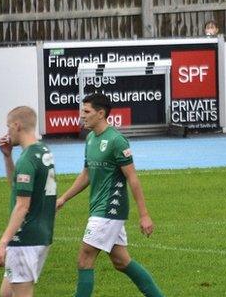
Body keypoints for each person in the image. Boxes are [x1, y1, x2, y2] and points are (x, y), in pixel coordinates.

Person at [56, 93, 164, 297]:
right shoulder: (90, 139)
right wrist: (63, 198)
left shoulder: (116, 141)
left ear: (101, 113)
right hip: (100, 209)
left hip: (109, 209)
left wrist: (144, 215)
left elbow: (132, 178)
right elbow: (86, 174)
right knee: (121, 262)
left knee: (84, 259)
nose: (82, 116)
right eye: (82, 111)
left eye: (86, 112)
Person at [0, 106, 56, 297]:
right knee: (6, 293)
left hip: (25, 238)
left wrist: (3, 243)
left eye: (8, 126)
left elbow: (22, 205)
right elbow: (17, 187)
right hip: (41, 233)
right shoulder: (42, 150)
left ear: (17, 125)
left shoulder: (27, 159)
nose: (7, 131)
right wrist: (7, 157)